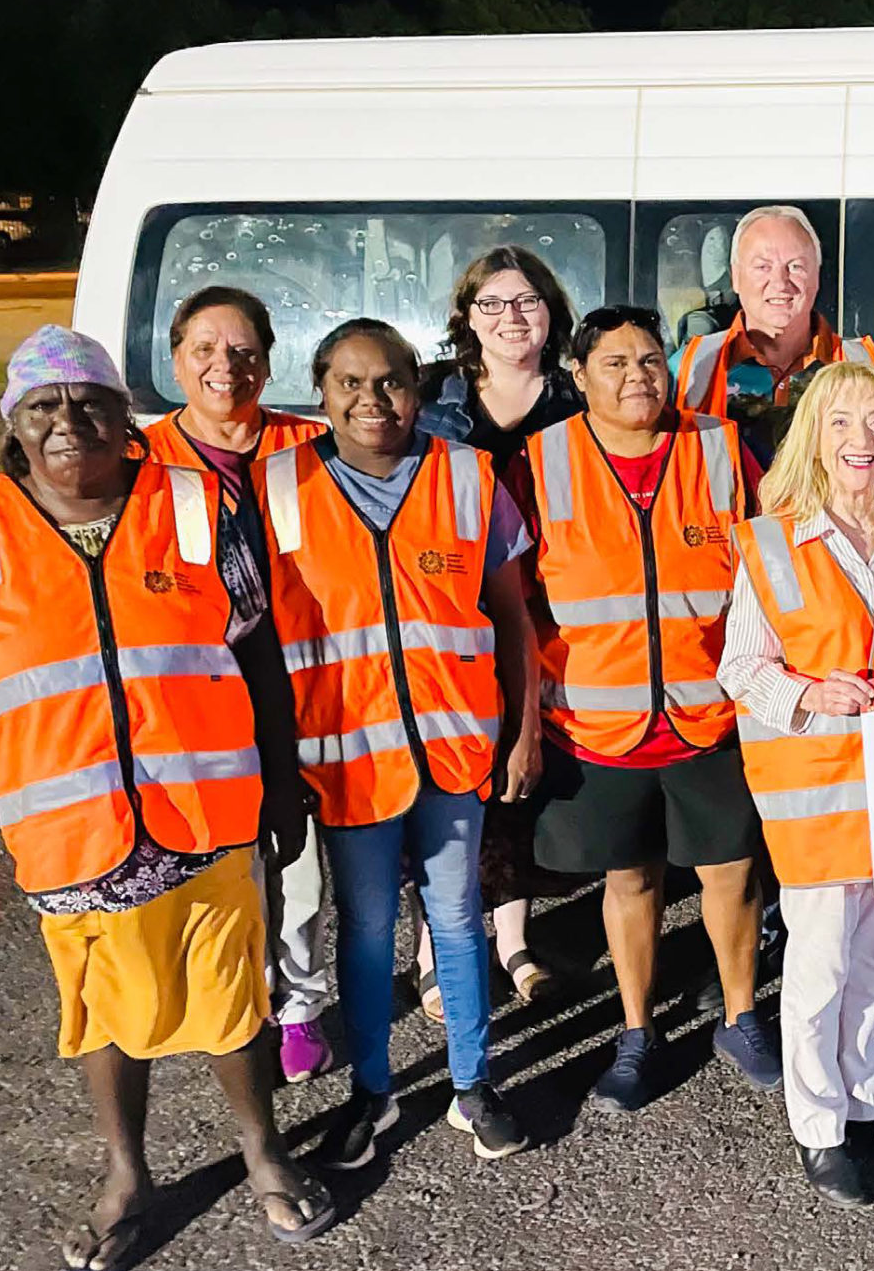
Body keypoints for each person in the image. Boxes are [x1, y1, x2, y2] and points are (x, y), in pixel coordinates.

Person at [0, 326, 335, 1271]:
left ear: (125, 415)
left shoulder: (195, 506)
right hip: (70, 832)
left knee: (235, 999)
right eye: (44, 408)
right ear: (15, 427)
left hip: (207, 816)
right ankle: (125, 1176)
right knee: (104, 1012)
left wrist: (281, 784)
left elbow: (259, 652)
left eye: (90, 402)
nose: (70, 423)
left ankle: (263, 1151)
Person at [255, 319, 542, 1167]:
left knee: (457, 921)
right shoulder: (279, 488)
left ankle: (471, 1084)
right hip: (345, 759)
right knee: (370, 932)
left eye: (390, 382)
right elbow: (260, 641)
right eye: (350, 383)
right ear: (321, 393)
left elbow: (514, 618)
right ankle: (374, 1093)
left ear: (419, 389)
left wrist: (523, 733)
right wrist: (281, 766)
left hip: (454, 751)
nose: (372, 400)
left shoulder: (467, 476)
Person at [525, 305, 779, 1111]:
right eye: (615, 363)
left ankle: (740, 1017)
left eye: (649, 360)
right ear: (578, 375)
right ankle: (637, 1033)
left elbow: (775, 560)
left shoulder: (722, 447)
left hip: (711, 713)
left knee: (730, 873)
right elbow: (514, 596)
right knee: (629, 879)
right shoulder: (538, 463)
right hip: (602, 721)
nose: (637, 376)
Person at [720, 360, 874, 1206]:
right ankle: (819, 1129)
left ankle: (864, 1100)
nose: (863, 441)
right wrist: (811, 692)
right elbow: (739, 667)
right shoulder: (773, 537)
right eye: (843, 423)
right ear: (813, 437)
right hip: (814, 785)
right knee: (816, 970)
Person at [141, 286, 335, 1084]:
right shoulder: (141, 460)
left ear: (269, 358)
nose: (227, 368)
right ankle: (240, 1002)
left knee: (302, 868)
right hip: (202, 707)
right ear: (176, 357)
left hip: (311, 692)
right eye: (207, 351)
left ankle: (301, 1007)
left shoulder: (312, 443)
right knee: (227, 869)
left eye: (245, 351)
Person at [413, 245, 589, 1011]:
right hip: (450, 613)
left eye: (527, 302)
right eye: (494, 304)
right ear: (467, 317)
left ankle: (514, 938)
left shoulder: (579, 401)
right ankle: (434, 942)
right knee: (449, 779)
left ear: (552, 314)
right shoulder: (432, 400)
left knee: (521, 781)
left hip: (547, 614)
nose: (512, 318)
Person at [672, 204, 874, 466]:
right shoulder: (688, 367)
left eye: (795, 266)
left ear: (816, 276)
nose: (780, 283)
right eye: (762, 267)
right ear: (736, 277)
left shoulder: (868, 366)